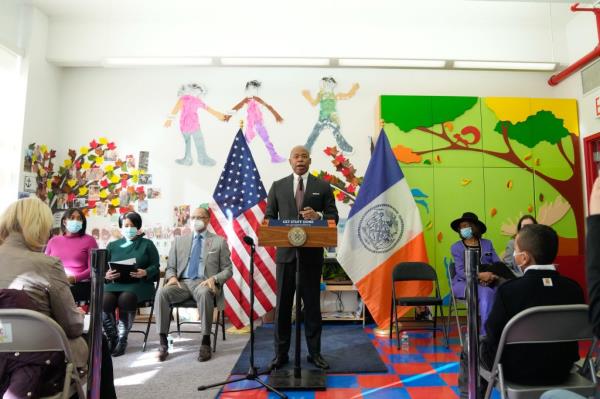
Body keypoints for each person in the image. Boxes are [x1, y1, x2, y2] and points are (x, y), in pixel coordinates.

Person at [459, 224, 585, 398]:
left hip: (516, 371)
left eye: (515, 250)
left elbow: (492, 333)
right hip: (562, 369)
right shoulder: (574, 289)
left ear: (523, 258)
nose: (514, 255)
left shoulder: (509, 291)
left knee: (470, 343)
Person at [0, 198, 88, 397]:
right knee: (95, 341)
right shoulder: (48, 264)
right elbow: (72, 326)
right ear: (39, 227)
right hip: (36, 358)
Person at [265, 145, 339, 370]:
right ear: (290, 161)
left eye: (304, 156)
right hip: (286, 257)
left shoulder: (323, 186)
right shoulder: (277, 187)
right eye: (296, 156)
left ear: (310, 161)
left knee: (313, 308)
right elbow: (269, 217)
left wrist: (318, 216)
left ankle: (315, 353)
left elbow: (333, 215)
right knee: (284, 306)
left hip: (311, 256)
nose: (300, 160)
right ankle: (281, 354)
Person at [155, 206, 233, 362]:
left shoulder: (219, 241)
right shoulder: (179, 241)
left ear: (208, 220)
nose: (196, 220)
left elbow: (228, 270)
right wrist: (171, 277)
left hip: (204, 283)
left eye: (200, 217)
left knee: (204, 293)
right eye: (193, 218)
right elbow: (170, 267)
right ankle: (163, 342)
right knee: (162, 292)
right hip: (182, 284)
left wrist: (215, 279)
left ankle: (205, 342)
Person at [103, 211, 160, 356]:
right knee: (104, 299)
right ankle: (112, 337)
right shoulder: (112, 245)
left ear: (138, 226)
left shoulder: (147, 244)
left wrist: (145, 272)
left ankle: (122, 340)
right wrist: (106, 274)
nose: (129, 228)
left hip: (139, 284)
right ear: (121, 227)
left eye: (132, 225)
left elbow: (156, 266)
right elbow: (104, 268)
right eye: (126, 225)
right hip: (115, 283)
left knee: (126, 298)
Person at [450, 211, 501, 334]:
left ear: (474, 227)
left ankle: (501, 332)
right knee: (487, 293)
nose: (463, 229)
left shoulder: (487, 244)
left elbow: (498, 264)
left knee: (504, 290)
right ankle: (486, 334)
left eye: (465, 226)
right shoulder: (456, 247)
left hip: (489, 281)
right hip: (464, 283)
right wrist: (480, 276)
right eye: (461, 227)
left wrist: (492, 276)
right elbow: (461, 272)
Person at [164, 83, 228, 166]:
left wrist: (219, 115)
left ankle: (203, 158)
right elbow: (175, 109)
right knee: (188, 142)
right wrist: (169, 120)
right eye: (196, 91)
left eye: (199, 92)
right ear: (190, 89)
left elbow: (208, 109)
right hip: (185, 125)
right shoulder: (183, 99)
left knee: (199, 141)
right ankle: (188, 159)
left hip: (195, 125)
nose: (197, 93)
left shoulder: (197, 101)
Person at [45, 208, 98, 303]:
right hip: (56, 282)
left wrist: (73, 278)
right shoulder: (53, 241)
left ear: (82, 222)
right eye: (72, 218)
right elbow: (45, 264)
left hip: (80, 284)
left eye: (79, 219)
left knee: (62, 294)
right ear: (64, 221)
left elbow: (93, 268)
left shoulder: (89, 240)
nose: (76, 221)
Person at [302, 76, 359, 153]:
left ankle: (346, 148)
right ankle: (307, 148)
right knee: (315, 132)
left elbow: (347, 95)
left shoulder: (335, 95)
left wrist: (354, 88)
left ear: (332, 85)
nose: (327, 85)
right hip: (322, 118)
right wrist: (307, 95)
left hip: (333, 118)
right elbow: (314, 103)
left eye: (329, 83)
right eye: (325, 83)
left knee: (336, 133)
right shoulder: (321, 94)